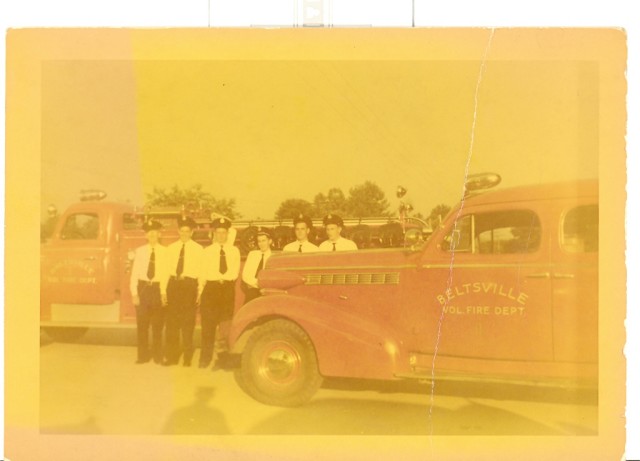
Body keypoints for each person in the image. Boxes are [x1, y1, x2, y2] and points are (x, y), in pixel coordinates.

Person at [198, 217, 241, 369]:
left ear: (228, 234)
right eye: (218, 232)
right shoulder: (207, 251)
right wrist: (199, 293)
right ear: (214, 233)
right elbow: (202, 273)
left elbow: (234, 272)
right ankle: (205, 358)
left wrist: (224, 280)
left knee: (225, 327)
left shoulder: (234, 250)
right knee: (208, 326)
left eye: (224, 232)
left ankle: (223, 360)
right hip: (211, 289)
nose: (221, 235)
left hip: (227, 289)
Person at [165, 216, 203, 367]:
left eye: (187, 231)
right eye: (182, 231)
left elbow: (201, 272)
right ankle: (172, 356)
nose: (184, 234)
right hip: (173, 286)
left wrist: (200, 291)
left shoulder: (198, 249)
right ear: (178, 231)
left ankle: (187, 356)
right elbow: (165, 271)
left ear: (192, 232)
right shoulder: (171, 248)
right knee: (172, 324)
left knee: (188, 323)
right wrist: (163, 291)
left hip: (189, 286)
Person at [129, 219, 169, 364]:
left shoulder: (165, 252)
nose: (152, 234)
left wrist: (164, 292)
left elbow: (166, 273)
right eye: (149, 232)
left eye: (155, 232)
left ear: (159, 234)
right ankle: (143, 356)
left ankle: (158, 356)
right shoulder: (140, 251)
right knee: (142, 325)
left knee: (158, 326)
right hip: (143, 289)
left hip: (157, 289)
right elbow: (134, 274)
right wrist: (134, 294)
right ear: (146, 235)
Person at [242, 227, 273, 304]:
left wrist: (264, 287)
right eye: (259, 241)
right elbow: (245, 275)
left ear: (270, 241)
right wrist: (258, 284)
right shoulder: (252, 255)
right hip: (252, 290)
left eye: (263, 241)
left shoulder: (274, 257)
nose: (261, 244)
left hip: (268, 292)